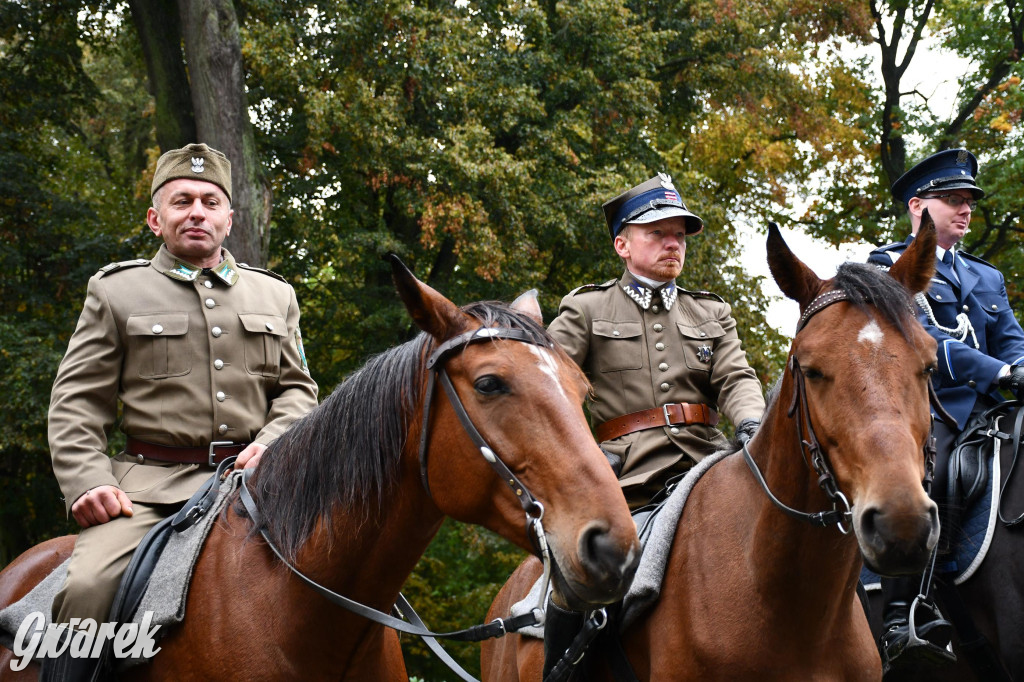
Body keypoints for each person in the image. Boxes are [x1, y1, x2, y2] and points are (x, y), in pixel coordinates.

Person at [44, 143, 319, 679]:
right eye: (182, 200)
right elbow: (78, 399)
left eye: (211, 201)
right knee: (87, 588)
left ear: (229, 218)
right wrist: (86, 481)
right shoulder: (116, 291)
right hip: (146, 490)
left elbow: (297, 390)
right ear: (156, 218)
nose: (197, 211)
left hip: (254, 480)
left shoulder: (275, 296)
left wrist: (274, 440)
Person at [868, 148, 1024, 672]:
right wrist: (998, 373)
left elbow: (1012, 341)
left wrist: (1019, 368)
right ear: (918, 206)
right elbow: (924, 339)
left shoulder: (988, 278)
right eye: (951, 200)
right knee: (920, 482)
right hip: (928, 408)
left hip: (992, 409)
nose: (964, 210)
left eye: (968, 202)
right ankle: (903, 611)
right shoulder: (887, 267)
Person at [547, 173, 766, 509]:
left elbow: (736, 378)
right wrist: (578, 461)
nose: (673, 244)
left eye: (680, 235)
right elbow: (547, 387)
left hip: (710, 461)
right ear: (623, 245)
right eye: (657, 233)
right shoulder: (586, 308)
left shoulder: (712, 311)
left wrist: (754, 425)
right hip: (624, 474)